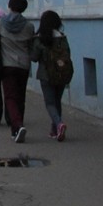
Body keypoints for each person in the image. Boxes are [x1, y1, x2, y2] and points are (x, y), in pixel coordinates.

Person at [0, 0, 38, 142]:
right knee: (21, 97)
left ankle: (18, 126)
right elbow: (31, 47)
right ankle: (17, 129)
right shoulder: (29, 26)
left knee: (10, 98)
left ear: (10, 5)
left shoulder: (1, 23)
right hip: (24, 66)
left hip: (7, 65)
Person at [33, 10, 74, 140]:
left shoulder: (40, 39)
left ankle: (59, 124)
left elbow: (34, 57)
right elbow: (68, 53)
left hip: (46, 75)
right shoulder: (62, 37)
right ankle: (55, 130)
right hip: (61, 74)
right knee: (57, 102)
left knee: (50, 103)